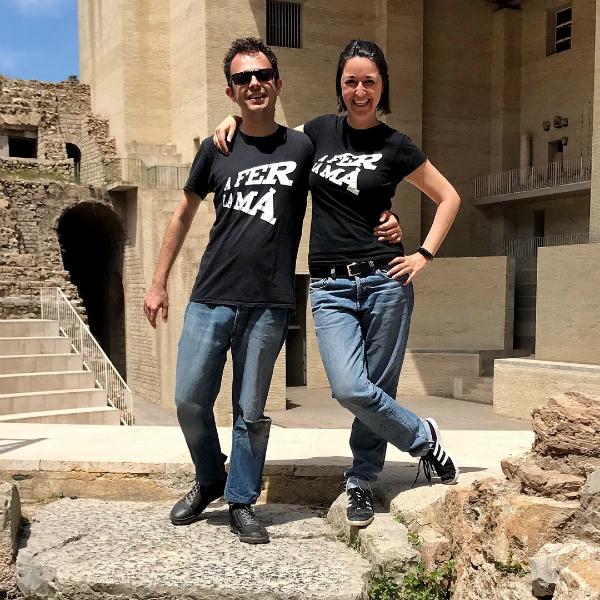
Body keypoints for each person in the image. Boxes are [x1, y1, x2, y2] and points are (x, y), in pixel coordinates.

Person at [143, 37, 402, 544]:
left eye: (262, 75)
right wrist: (158, 284)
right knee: (189, 400)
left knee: (250, 409)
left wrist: (386, 218)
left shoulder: (303, 145)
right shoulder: (216, 146)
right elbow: (181, 214)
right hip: (210, 294)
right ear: (231, 90)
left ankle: (240, 499)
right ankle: (209, 477)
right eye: (243, 79)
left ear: (278, 83)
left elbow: (351, 178)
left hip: (269, 301)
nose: (254, 84)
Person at [214, 39, 462, 528]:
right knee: (350, 388)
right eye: (351, 81)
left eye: (369, 81)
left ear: (382, 85)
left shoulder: (396, 145)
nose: (360, 90)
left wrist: (422, 254)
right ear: (340, 86)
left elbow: (449, 197)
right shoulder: (316, 134)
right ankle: (422, 438)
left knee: (378, 386)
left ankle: (361, 481)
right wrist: (234, 123)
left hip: (386, 280)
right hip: (329, 285)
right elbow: (269, 135)